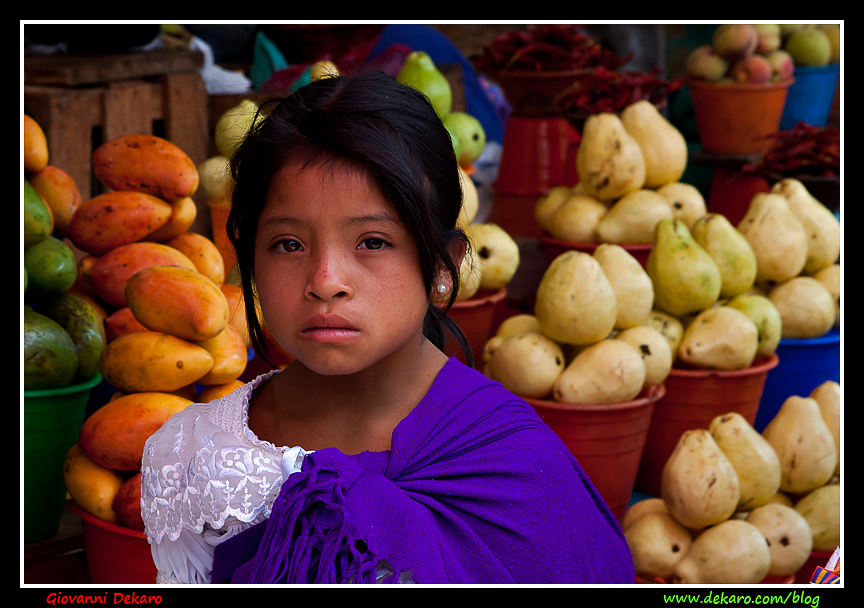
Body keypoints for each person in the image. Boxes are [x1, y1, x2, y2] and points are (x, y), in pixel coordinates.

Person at [140, 70, 635, 585]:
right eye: (289, 244)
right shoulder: (191, 457)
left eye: (373, 241)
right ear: (251, 262)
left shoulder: (517, 468)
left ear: (444, 267)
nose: (326, 282)